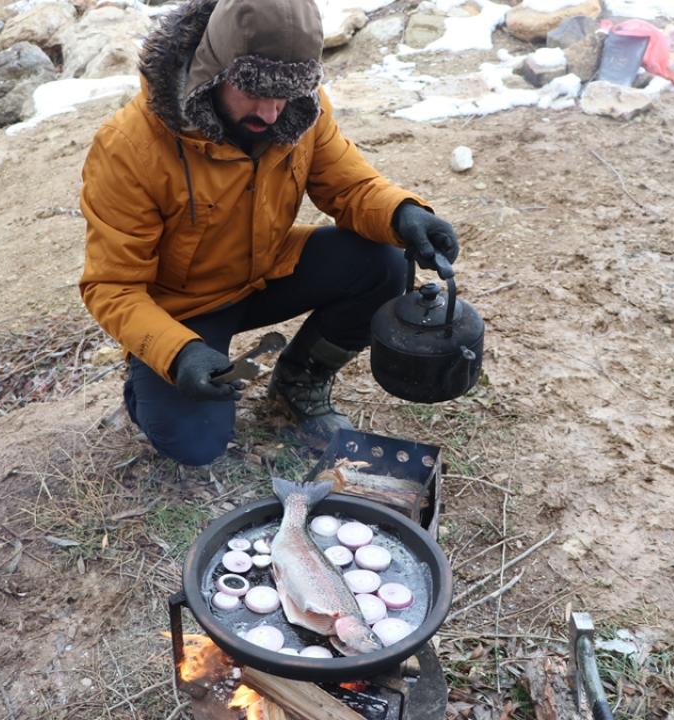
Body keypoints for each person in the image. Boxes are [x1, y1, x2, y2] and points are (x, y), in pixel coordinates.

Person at [78, 0, 458, 466]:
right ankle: (148, 383)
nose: (272, 113)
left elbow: (351, 185)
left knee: (381, 261)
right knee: (194, 444)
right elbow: (112, 286)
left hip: (266, 272)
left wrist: (404, 214)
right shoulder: (131, 147)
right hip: (183, 310)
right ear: (213, 67)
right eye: (254, 90)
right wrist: (178, 354)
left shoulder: (300, 111)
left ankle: (298, 382)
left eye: (287, 94)